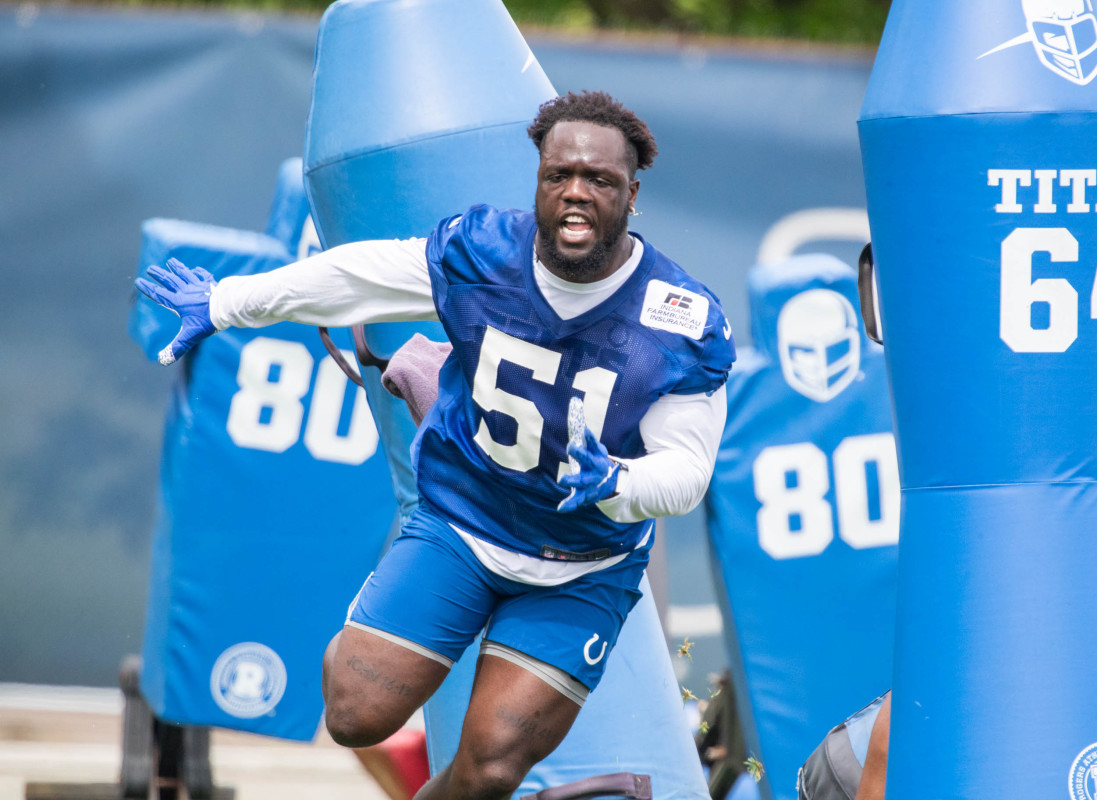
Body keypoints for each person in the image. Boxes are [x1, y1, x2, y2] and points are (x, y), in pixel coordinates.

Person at [137, 90, 735, 800]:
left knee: (490, 766)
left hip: (580, 562)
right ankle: (432, 393)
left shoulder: (678, 317)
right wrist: (229, 303)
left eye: (599, 180)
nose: (576, 193)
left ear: (631, 194)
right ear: (538, 180)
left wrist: (619, 485)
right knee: (354, 713)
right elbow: (359, 275)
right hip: (464, 518)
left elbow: (688, 471)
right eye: (558, 175)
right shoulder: (482, 253)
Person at [799, 3, 1097, 798]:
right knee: (946, 718)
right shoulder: (1041, 114)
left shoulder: (1076, 120)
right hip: (1050, 481)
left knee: (1014, 715)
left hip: (1078, 483)